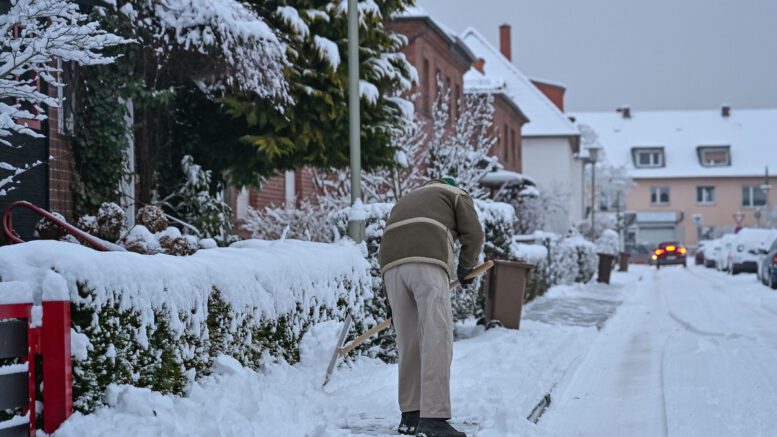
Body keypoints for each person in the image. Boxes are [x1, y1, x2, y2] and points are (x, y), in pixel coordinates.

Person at [378, 177, 484, 437]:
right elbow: (474, 234)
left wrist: (389, 301)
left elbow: (394, 241)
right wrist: (466, 268)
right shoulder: (456, 193)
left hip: (390, 268)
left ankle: (410, 416)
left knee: (409, 342)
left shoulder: (408, 199)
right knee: (437, 337)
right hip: (427, 262)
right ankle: (434, 418)